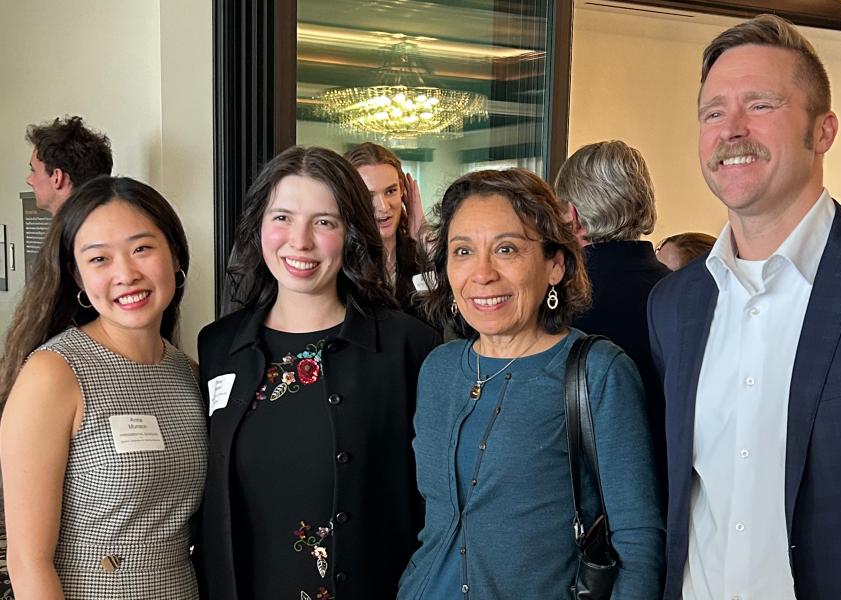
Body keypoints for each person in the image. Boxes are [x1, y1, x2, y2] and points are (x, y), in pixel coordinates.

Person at [647, 14, 841, 600]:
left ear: (824, 131)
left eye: (760, 105)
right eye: (713, 112)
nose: (730, 130)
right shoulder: (674, 305)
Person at [398, 168, 664, 600]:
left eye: (506, 249)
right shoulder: (439, 370)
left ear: (555, 263)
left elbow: (637, 538)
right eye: (462, 251)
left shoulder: (599, 372)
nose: (482, 273)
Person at [195, 145, 441, 600]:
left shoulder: (409, 346)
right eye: (282, 217)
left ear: (350, 232)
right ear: (259, 226)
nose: (300, 241)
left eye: (324, 222)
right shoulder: (217, 346)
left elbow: (434, 505)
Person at [0, 176, 206, 598]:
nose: (126, 274)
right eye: (99, 259)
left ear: (175, 256)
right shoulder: (53, 374)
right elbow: (27, 562)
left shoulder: (188, 372)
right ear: (77, 277)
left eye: (142, 249)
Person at [555, 140, 671, 493]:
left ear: (572, 217)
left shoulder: (558, 303)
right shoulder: (687, 294)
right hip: (676, 496)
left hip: (584, 505)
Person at [343, 142, 425, 311]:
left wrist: (421, 232)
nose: (383, 206)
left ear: (403, 190)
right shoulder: (341, 260)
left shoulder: (418, 253)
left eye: (391, 191)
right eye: (368, 195)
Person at [25, 116, 113, 215]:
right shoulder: (109, 222)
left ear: (57, 178)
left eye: (33, 170)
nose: (29, 180)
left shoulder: (81, 229)